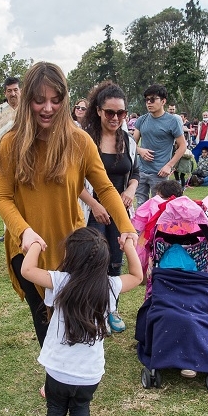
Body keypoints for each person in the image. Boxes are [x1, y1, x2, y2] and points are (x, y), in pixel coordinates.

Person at [0, 62, 137, 347]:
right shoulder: (10, 143)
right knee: (43, 318)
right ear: (27, 101)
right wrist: (23, 231)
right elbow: (3, 198)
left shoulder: (80, 141)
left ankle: (70, 373)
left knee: (69, 314)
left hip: (71, 248)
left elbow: (106, 189)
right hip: (28, 247)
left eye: (56, 100)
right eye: (40, 100)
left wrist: (127, 227)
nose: (48, 108)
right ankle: (53, 378)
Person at [21, 227, 142, 416]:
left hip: (57, 369)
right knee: (80, 408)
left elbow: (27, 270)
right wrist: (128, 244)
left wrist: (34, 243)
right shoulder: (109, 286)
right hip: (89, 372)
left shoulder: (61, 280)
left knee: (55, 407)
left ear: (70, 256)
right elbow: (137, 276)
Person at [80, 82, 139, 332]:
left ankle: (111, 309)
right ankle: (91, 310)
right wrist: (94, 204)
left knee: (116, 260)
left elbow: (135, 172)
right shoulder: (85, 140)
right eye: (110, 112)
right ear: (98, 111)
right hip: (91, 210)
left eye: (121, 113)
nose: (115, 118)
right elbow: (73, 182)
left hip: (119, 212)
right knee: (93, 259)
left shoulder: (128, 141)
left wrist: (129, 191)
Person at [132, 84, 188, 205]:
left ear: (163, 101)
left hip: (159, 173)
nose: (149, 103)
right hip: (141, 170)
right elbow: (131, 143)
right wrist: (140, 151)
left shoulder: (173, 121)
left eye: (153, 99)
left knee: (158, 207)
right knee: (141, 206)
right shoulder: (142, 119)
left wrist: (169, 165)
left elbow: (183, 146)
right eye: (147, 100)